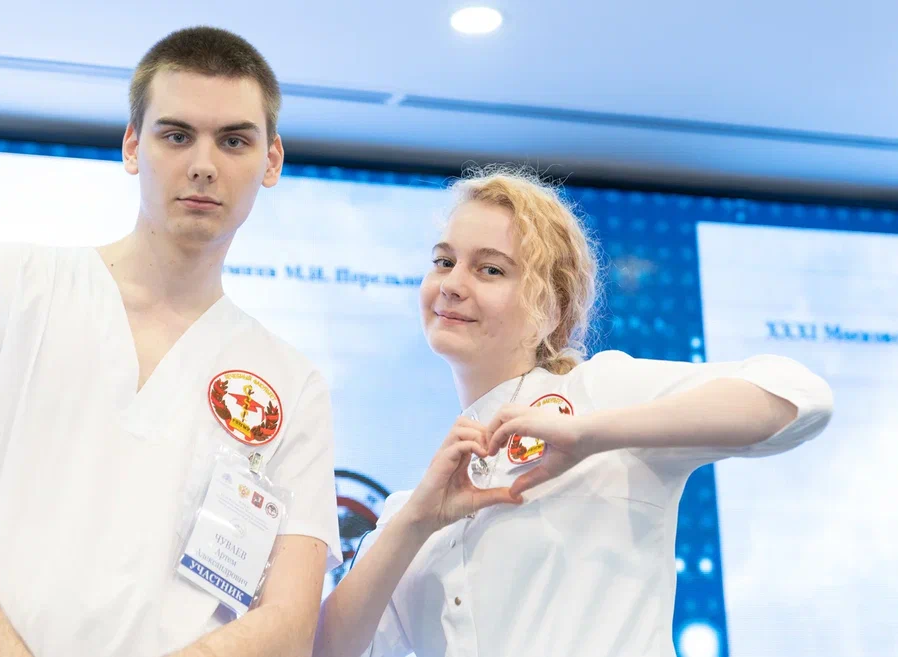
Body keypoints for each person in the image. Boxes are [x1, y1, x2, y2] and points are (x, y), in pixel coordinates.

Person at [0, 26, 340, 657]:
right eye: (177, 135)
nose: (203, 164)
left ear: (271, 160)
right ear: (133, 146)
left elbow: (290, 619)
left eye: (233, 140)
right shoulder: (3, 288)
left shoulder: (291, 384)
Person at [313, 168, 833, 657]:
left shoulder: (597, 392)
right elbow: (326, 650)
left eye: (490, 269)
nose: (451, 283)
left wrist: (590, 434)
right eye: (444, 261)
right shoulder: (411, 512)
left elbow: (796, 397)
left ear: (551, 309)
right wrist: (415, 522)